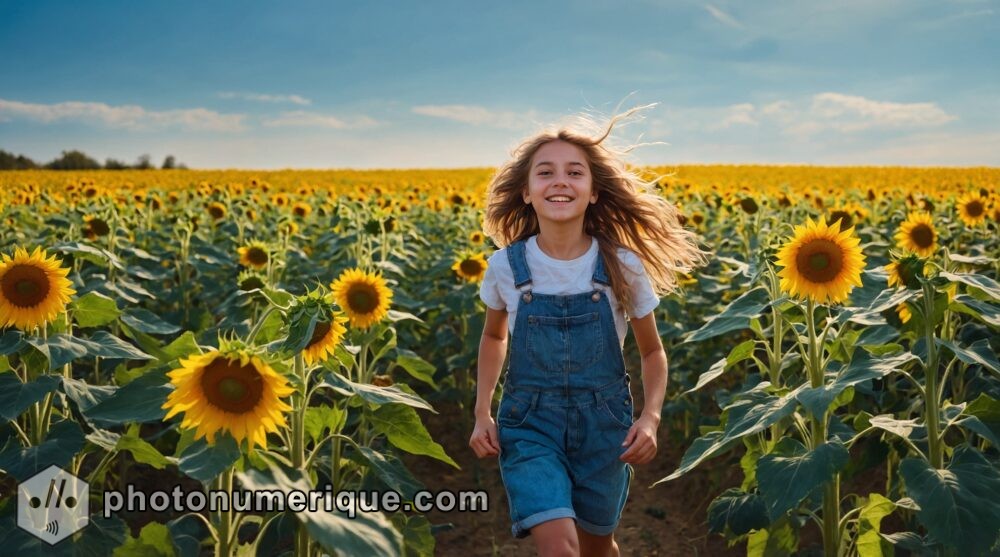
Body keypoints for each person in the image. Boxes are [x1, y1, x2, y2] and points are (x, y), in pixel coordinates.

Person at [468, 105, 708, 556]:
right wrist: (483, 411)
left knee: (598, 547)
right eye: (545, 172)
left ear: (595, 192)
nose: (560, 180)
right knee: (560, 547)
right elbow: (494, 338)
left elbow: (652, 352)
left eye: (575, 172)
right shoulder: (505, 266)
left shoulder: (622, 266)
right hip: (529, 423)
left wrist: (650, 418)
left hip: (605, 426)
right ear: (525, 191)